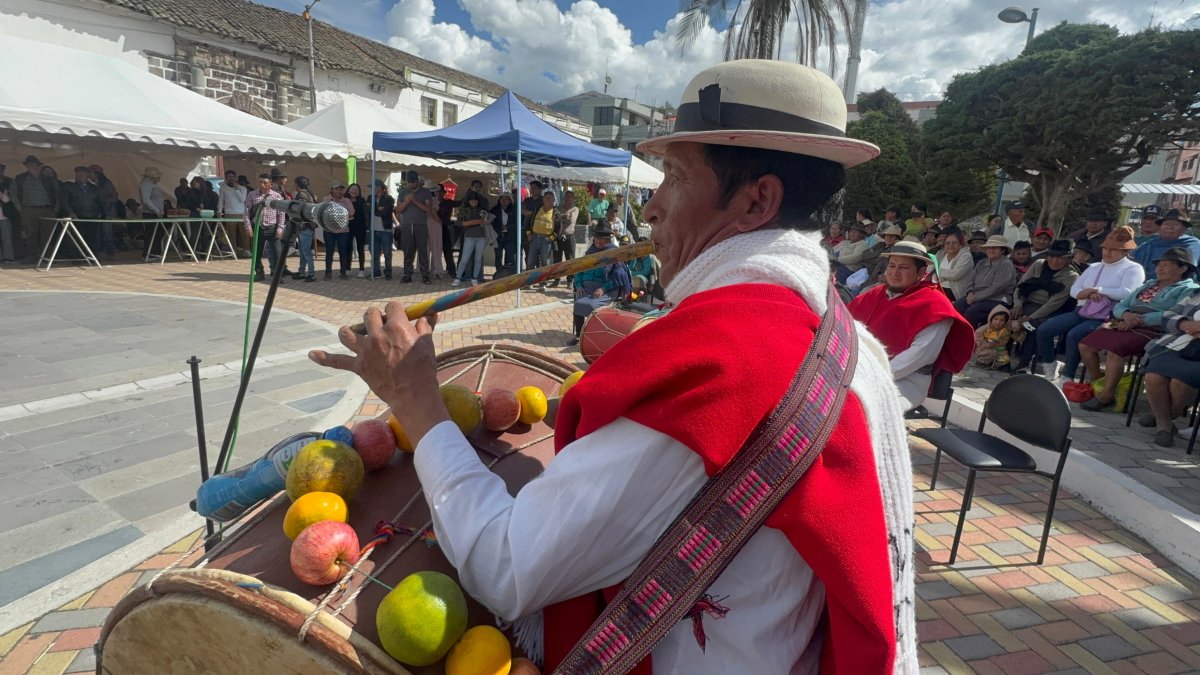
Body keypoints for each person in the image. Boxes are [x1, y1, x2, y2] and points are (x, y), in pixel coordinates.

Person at [310, 60, 916, 674]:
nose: (650, 209)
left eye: (674, 178)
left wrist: (416, 400)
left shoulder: (723, 364)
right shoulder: (842, 334)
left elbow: (506, 567)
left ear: (757, 201)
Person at [849, 241, 974, 411]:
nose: (895, 273)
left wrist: (867, 376)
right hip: (858, 373)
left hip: (906, 381)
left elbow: (919, 356)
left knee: (862, 409)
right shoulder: (872, 295)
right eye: (892, 266)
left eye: (904, 268)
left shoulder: (935, 305)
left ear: (921, 272)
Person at [1079, 247, 1199, 411]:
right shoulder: (1149, 284)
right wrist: (1126, 314)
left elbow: (1173, 313)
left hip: (1155, 329)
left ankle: (1107, 395)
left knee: (1116, 350)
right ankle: (1098, 381)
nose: (1160, 268)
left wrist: (1138, 320)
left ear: (1183, 268)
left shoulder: (1188, 289)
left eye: (1166, 265)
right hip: (1127, 321)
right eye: (1159, 265)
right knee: (1085, 345)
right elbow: (1122, 305)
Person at [1033, 226, 1144, 379]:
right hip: (1083, 310)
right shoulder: (1094, 266)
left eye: (1114, 249)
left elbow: (1128, 292)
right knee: (1045, 329)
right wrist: (1087, 293)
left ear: (1126, 252)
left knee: (1074, 335)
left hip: (1108, 315)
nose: (1108, 252)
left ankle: (1068, 376)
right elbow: (1075, 290)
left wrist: (1097, 290)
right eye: (1106, 248)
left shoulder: (1133, 268)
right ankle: (1050, 364)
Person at [1138, 290, 1200, 446]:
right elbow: (1167, 315)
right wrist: (1183, 324)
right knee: (1154, 376)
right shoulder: (1195, 295)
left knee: (1181, 382)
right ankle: (1164, 426)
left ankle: (1164, 416)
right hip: (1177, 343)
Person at [1009, 240, 1080, 372]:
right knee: (1003, 317)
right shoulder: (1038, 265)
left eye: (1060, 258)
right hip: (1026, 303)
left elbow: (1055, 302)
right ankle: (1002, 359)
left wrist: (1030, 317)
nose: (1054, 261)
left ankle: (1024, 364)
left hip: (1048, 310)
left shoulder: (1071, 276)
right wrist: (1017, 305)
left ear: (1069, 258)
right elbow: (1021, 286)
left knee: (1033, 326)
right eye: (1051, 256)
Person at [567, 223, 631, 342]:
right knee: (579, 303)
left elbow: (619, 278)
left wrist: (604, 288)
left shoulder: (613, 254)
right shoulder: (590, 252)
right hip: (586, 288)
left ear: (607, 240)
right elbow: (579, 271)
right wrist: (579, 284)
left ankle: (592, 335)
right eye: (597, 238)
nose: (598, 241)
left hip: (605, 290)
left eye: (602, 238)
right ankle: (578, 335)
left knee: (592, 306)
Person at [953, 235, 1016, 327]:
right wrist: (970, 292)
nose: (991, 250)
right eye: (989, 248)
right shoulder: (982, 263)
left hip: (997, 298)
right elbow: (971, 280)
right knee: (958, 306)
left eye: (995, 248)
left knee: (972, 311)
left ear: (1002, 250)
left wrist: (975, 298)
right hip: (975, 296)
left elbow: (996, 288)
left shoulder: (1006, 264)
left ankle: (970, 336)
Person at [12, 155, 59, 263]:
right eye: (29, 165)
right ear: (26, 166)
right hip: (28, 209)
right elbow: (13, 193)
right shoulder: (20, 178)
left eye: (34, 164)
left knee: (47, 234)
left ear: (39, 166)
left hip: (47, 209)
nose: (32, 167)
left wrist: (55, 210)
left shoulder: (49, 179)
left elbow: (58, 195)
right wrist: (20, 208)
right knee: (30, 234)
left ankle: (46, 256)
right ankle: (31, 256)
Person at [1131, 209, 1200, 276]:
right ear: (1160, 227)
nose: (1170, 227)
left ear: (1183, 229)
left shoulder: (1192, 244)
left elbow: (1190, 271)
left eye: (1176, 224)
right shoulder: (1149, 244)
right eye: (1166, 224)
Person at [243, 174, 285, 282]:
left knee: (278, 253)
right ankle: (259, 272)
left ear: (270, 184)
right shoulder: (252, 195)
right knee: (256, 252)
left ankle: (277, 275)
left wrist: (279, 228)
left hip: (272, 228)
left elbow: (281, 214)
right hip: (257, 227)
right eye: (260, 182)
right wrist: (248, 227)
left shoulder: (276, 196)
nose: (262, 185)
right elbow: (246, 212)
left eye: (265, 182)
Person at [395, 170, 433, 284]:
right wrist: (406, 202)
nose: (411, 184)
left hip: (421, 225)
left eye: (413, 181)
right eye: (409, 182)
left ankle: (425, 275)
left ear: (417, 181)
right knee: (407, 251)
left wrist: (415, 201)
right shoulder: (402, 192)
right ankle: (407, 274)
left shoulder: (425, 192)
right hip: (406, 225)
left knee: (423, 251)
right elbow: (397, 210)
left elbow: (428, 210)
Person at [65, 166, 110, 258]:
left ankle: (92, 256)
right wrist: (70, 212)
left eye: (83, 173)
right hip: (77, 216)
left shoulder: (94, 188)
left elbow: (101, 201)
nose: (80, 175)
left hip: (92, 216)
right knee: (77, 237)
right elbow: (64, 201)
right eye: (78, 173)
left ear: (88, 175)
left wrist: (103, 213)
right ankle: (77, 257)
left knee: (92, 238)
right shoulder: (68, 185)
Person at [453, 191, 488, 286]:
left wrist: (485, 221)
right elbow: (458, 223)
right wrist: (473, 222)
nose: (474, 203)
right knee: (464, 259)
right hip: (469, 236)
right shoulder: (464, 210)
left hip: (481, 237)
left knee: (478, 259)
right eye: (472, 201)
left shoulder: (482, 210)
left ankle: (475, 278)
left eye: (476, 202)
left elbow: (487, 221)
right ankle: (458, 278)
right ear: (468, 201)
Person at [321, 181, 354, 280]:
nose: (339, 191)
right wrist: (342, 211)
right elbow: (323, 212)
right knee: (329, 251)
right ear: (332, 190)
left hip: (343, 230)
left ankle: (343, 273)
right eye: (336, 189)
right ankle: (328, 273)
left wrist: (336, 208)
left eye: (341, 189)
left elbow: (352, 212)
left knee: (343, 252)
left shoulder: (347, 200)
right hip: (329, 230)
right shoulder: (326, 199)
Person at [549, 190, 580, 288]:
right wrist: (564, 216)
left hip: (569, 237)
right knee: (557, 260)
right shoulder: (558, 208)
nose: (568, 198)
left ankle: (570, 281)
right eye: (567, 196)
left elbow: (571, 220)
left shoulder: (575, 209)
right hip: (558, 237)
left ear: (573, 199)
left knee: (570, 260)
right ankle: (556, 280)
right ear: (564, 198)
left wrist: (560, 217)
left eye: (571, 196)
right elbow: (554, 219)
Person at [935, 227, 974, 301]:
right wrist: (945, 276)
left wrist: (938, 271)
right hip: (937, 286)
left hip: (954, 291)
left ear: (960, 244)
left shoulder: (966, 256)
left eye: (954, 243)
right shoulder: (940, 254)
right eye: (947, 243)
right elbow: (930, 269)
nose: (950, 245)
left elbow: (955, 275)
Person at [139, 166, 168, 258]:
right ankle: (150, 253)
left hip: (156, 212)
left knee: (157, 233)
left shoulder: (151, 185)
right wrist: (156, 210)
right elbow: (146, 200)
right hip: (151, 213)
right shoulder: (146, 185)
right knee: (151, 234)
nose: (159, 178)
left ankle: (155, 252)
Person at [370, 180, 396, 279]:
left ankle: (388, 272)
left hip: (386, 229)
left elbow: (386, 212)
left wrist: (375, 211)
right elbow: (366, 209)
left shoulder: (389, 199)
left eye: (374, 186)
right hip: (373, 229)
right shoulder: (370, 197)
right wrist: (379, 209)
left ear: (381, 187)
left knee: (387, 252)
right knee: (374, 252)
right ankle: (376, 271)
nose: (372, 189)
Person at [217, 169, 248, 252]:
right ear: (226, 178)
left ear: (235, 177)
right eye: (228, 177)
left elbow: (242, 199)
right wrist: (219, 212)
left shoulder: (243, 188)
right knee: (231, 234)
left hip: (241, 213)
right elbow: (221, 200)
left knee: (244, 233)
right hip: (229, 213)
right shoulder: (223, 188)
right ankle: (233, 250)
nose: (231, 178)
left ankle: (246, 250)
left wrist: (236, 189)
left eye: (232, 177)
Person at [974, 305, 1013, 370]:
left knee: (1005, 358)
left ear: (1005, 322)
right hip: (984, 349)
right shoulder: (984, 329)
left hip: (998, 349)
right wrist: (988, 344)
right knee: (990, 353)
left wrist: (998, 342)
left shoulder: (1005, 331)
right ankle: (981, 362)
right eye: (996, 319)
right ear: (991, 318)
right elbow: (979, 341)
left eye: (1002, 320)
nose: (998, 322)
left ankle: (999, 365)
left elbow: (1005, 340)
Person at [527, 190, 555, 278]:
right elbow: (528, 223)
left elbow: (559, 228)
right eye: (546, 198)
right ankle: (528, 282)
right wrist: (529, 234)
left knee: (545, 262)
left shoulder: (556, 213)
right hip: (534, 238)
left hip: (546, 239)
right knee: (530, 261)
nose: (548, 200)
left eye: (550, 198)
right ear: (543, 199)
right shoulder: (536, 210)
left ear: (553, 200)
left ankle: (543, 283)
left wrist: (550, 238)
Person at [344, 183, 368, 275]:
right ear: (349, 189)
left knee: (360, 248)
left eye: (356, 190)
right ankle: (347, 268)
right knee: (348, 248)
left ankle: (361, 269)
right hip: (347, 227)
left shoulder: (362, 200)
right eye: (352, 189)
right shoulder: (344, 200)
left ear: (359, 192)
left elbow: (364, 213)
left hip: (360, 227)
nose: (354, 191)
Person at [491, 193, 516, 274]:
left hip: (509, 237)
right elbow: (491, 222)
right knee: (498, 256)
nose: (504, 200)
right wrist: (499, 227)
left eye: (506, 199)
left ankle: (507, 273)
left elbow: (517, 222)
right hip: (497, 237)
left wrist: (508, 227)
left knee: (509, 256)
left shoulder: (514, 210)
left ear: (510, 200)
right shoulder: (494, 210)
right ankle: (499, 273)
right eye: (502, 198)